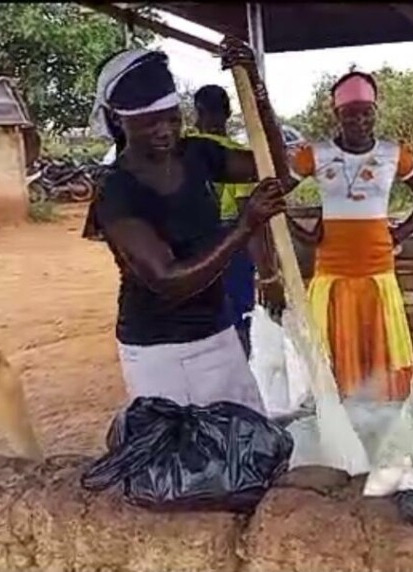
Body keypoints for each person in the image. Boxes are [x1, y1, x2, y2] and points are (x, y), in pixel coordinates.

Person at [84, 44, 286, 412]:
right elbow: (168, 280)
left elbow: (276, 170)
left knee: (250, 448)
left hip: (217, 334)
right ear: (121, 121)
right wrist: (245, 227)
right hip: (160, 353)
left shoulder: (197, 154)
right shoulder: (116, 190)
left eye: (172, 117)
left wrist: (255, 85)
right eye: (150, 122)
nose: (165, 130)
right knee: (187, 462)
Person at [286, 71, 413, 400]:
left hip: (378, 276)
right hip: (332, 276)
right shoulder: (314, 155)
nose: (359, 120)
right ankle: (339, 428)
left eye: (366, 112)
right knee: (334, 361)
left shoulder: (393, 154)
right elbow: (271, 197)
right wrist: (299, 232)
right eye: (350, 112)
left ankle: (378, 426)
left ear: (375, 112)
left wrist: (400, 233)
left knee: (380, 360)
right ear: (336, 114)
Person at [190, 84, 284, 357]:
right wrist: (268, 275)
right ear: (228, 113)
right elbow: (250, 220)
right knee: (235, 323)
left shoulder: (184, 149)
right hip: (231, 247)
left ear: (198, 113)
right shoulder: (236, 155)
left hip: (192, 249)